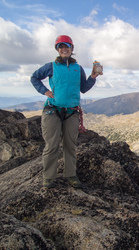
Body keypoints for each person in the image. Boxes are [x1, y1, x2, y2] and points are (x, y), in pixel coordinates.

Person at [31, 35, 102, 188]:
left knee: (70, 145)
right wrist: (45, 91)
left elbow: (83, 88)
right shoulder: (51, 66)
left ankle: (71, 175)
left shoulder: (78, 68)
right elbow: (34, 78)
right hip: (53, 110)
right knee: (52, 145)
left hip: (72, 112)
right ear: (57, 49)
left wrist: (93, 77)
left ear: (71, 48)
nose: (64, 49)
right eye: (60, 46)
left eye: (66, 46)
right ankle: (48, 177)